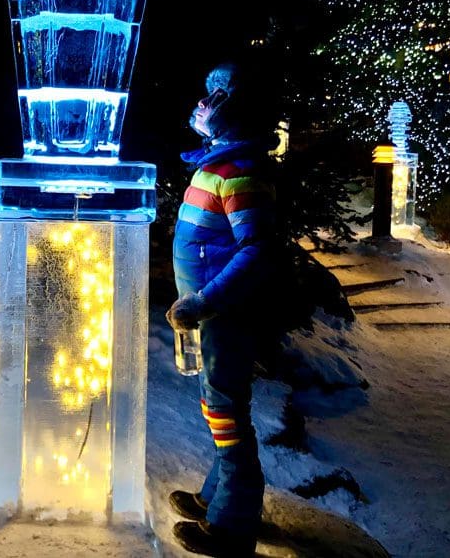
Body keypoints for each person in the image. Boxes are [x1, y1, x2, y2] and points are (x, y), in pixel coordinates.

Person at [166, 60, 279, 558]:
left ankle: (234, 524)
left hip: (225, 315)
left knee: (227, 410)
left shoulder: (240, 169)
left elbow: (257, 250)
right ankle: (218, 498)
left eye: (209, 98)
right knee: (219, 405)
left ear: (231, 111)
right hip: (213, 316)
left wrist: (204, 300)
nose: (199, 104)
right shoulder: (221, 163)